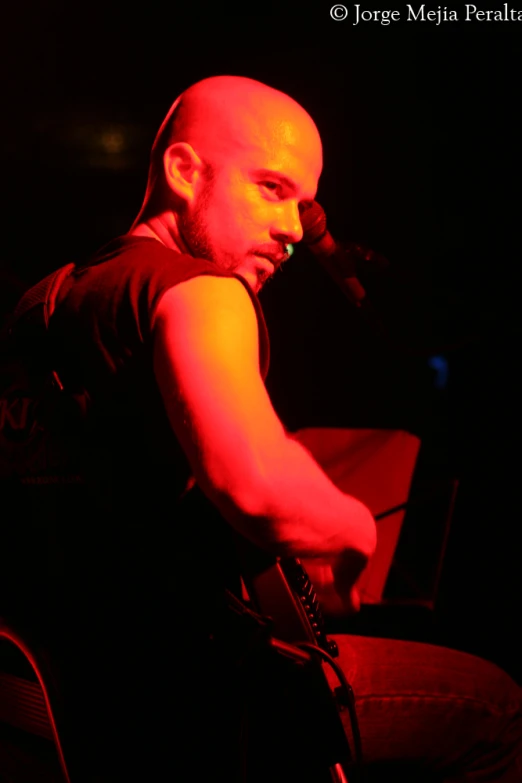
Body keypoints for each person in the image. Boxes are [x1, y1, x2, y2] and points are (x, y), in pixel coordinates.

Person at [2, 75, 521, 782]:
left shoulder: (43, 299)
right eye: (271, 188)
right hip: (199, 692)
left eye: (301, 205)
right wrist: (350, 531)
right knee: (497, 707)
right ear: (184, 172)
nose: (291, 231)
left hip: (76, 702)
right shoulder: (200, 292)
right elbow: (256, 487)